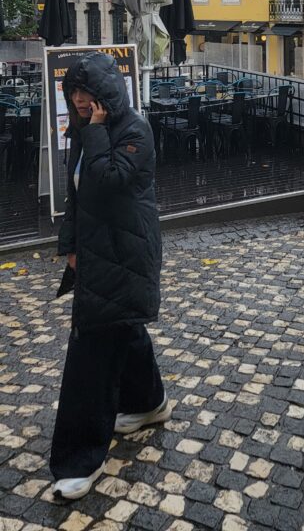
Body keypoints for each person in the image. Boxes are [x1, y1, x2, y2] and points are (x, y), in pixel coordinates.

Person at [50, 52, 171, 501]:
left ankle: (81, 458)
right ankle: (149, 402)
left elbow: (106, 183)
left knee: (92, 351)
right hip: (97, 251)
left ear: (107, 93)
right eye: (74, 92)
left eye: (88, 92)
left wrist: (97, 130)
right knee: (123, 327)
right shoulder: (84, 130)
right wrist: (70, 247)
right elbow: (77, 195)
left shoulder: (134, 130)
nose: (81, 100)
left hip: (127, 252)